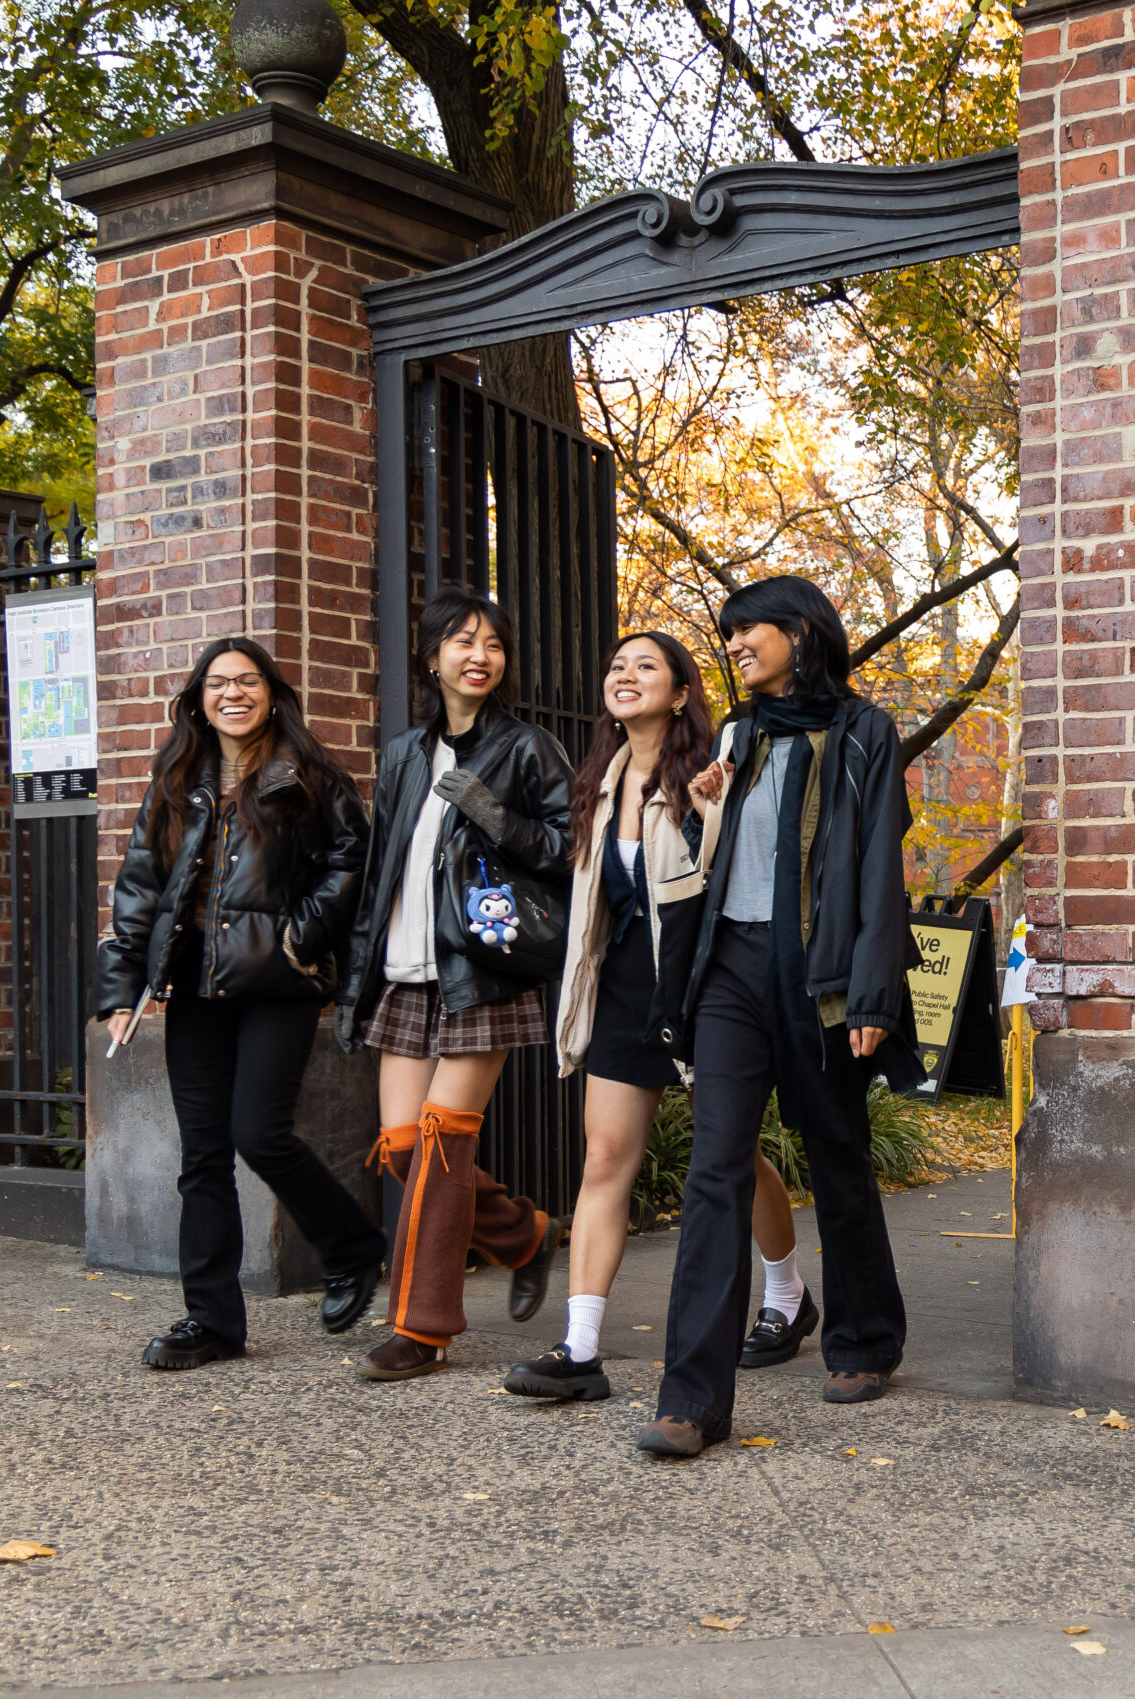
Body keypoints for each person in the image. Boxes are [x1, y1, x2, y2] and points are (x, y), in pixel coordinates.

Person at [637, 576, 925, 1458]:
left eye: (745, 631)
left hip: (822, 974)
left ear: (800, 631)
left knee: (836, 1150)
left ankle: (867, 1337)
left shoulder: (863, 732)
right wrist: (702, 805)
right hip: (731, 965)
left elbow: (878, 864)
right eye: (726, 638)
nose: (731, 647)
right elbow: (713, 857)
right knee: (716, 1166)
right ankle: (690, 1399)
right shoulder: (736, 734)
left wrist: (873, 991)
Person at [504, 632, 813, 1405]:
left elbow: (743, 874)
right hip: (625, 990)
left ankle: (786, 1293)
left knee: (728, 1148)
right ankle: (580, 1349)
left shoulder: (716, 766)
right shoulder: (599, 781)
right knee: (605, 1156)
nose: (624, 675)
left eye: (646, 665)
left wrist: (712, 809)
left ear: (680, 693)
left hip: (707, 985)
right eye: (615, 665)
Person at [97, 637, 383, 1371]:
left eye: (247, 681)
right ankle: (213, 1321)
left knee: (259, 1133)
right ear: (199, 698)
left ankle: (350, 1245)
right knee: (202, 1154)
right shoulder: (177, 775)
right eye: (218, 682)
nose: (233, 693)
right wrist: (122, 986)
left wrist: (301, 935)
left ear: (270, 691)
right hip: (195, 983)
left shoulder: (307, 773)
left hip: (277, 983)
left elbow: (354, 860)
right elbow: (138, 886)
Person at [337, 587, 575, 1382]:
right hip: (406, 971)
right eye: (463, 641)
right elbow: (383, 868)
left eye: (493, 644)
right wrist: (358, 975)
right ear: (431, 655)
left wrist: (491, 813)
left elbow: (569, 848)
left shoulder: (526, 747)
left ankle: (422, 1327)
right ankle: (522, 1233)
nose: (480, 655)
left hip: (484, 970)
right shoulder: (404, 753)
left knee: (441, 1145)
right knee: (404, 1147)